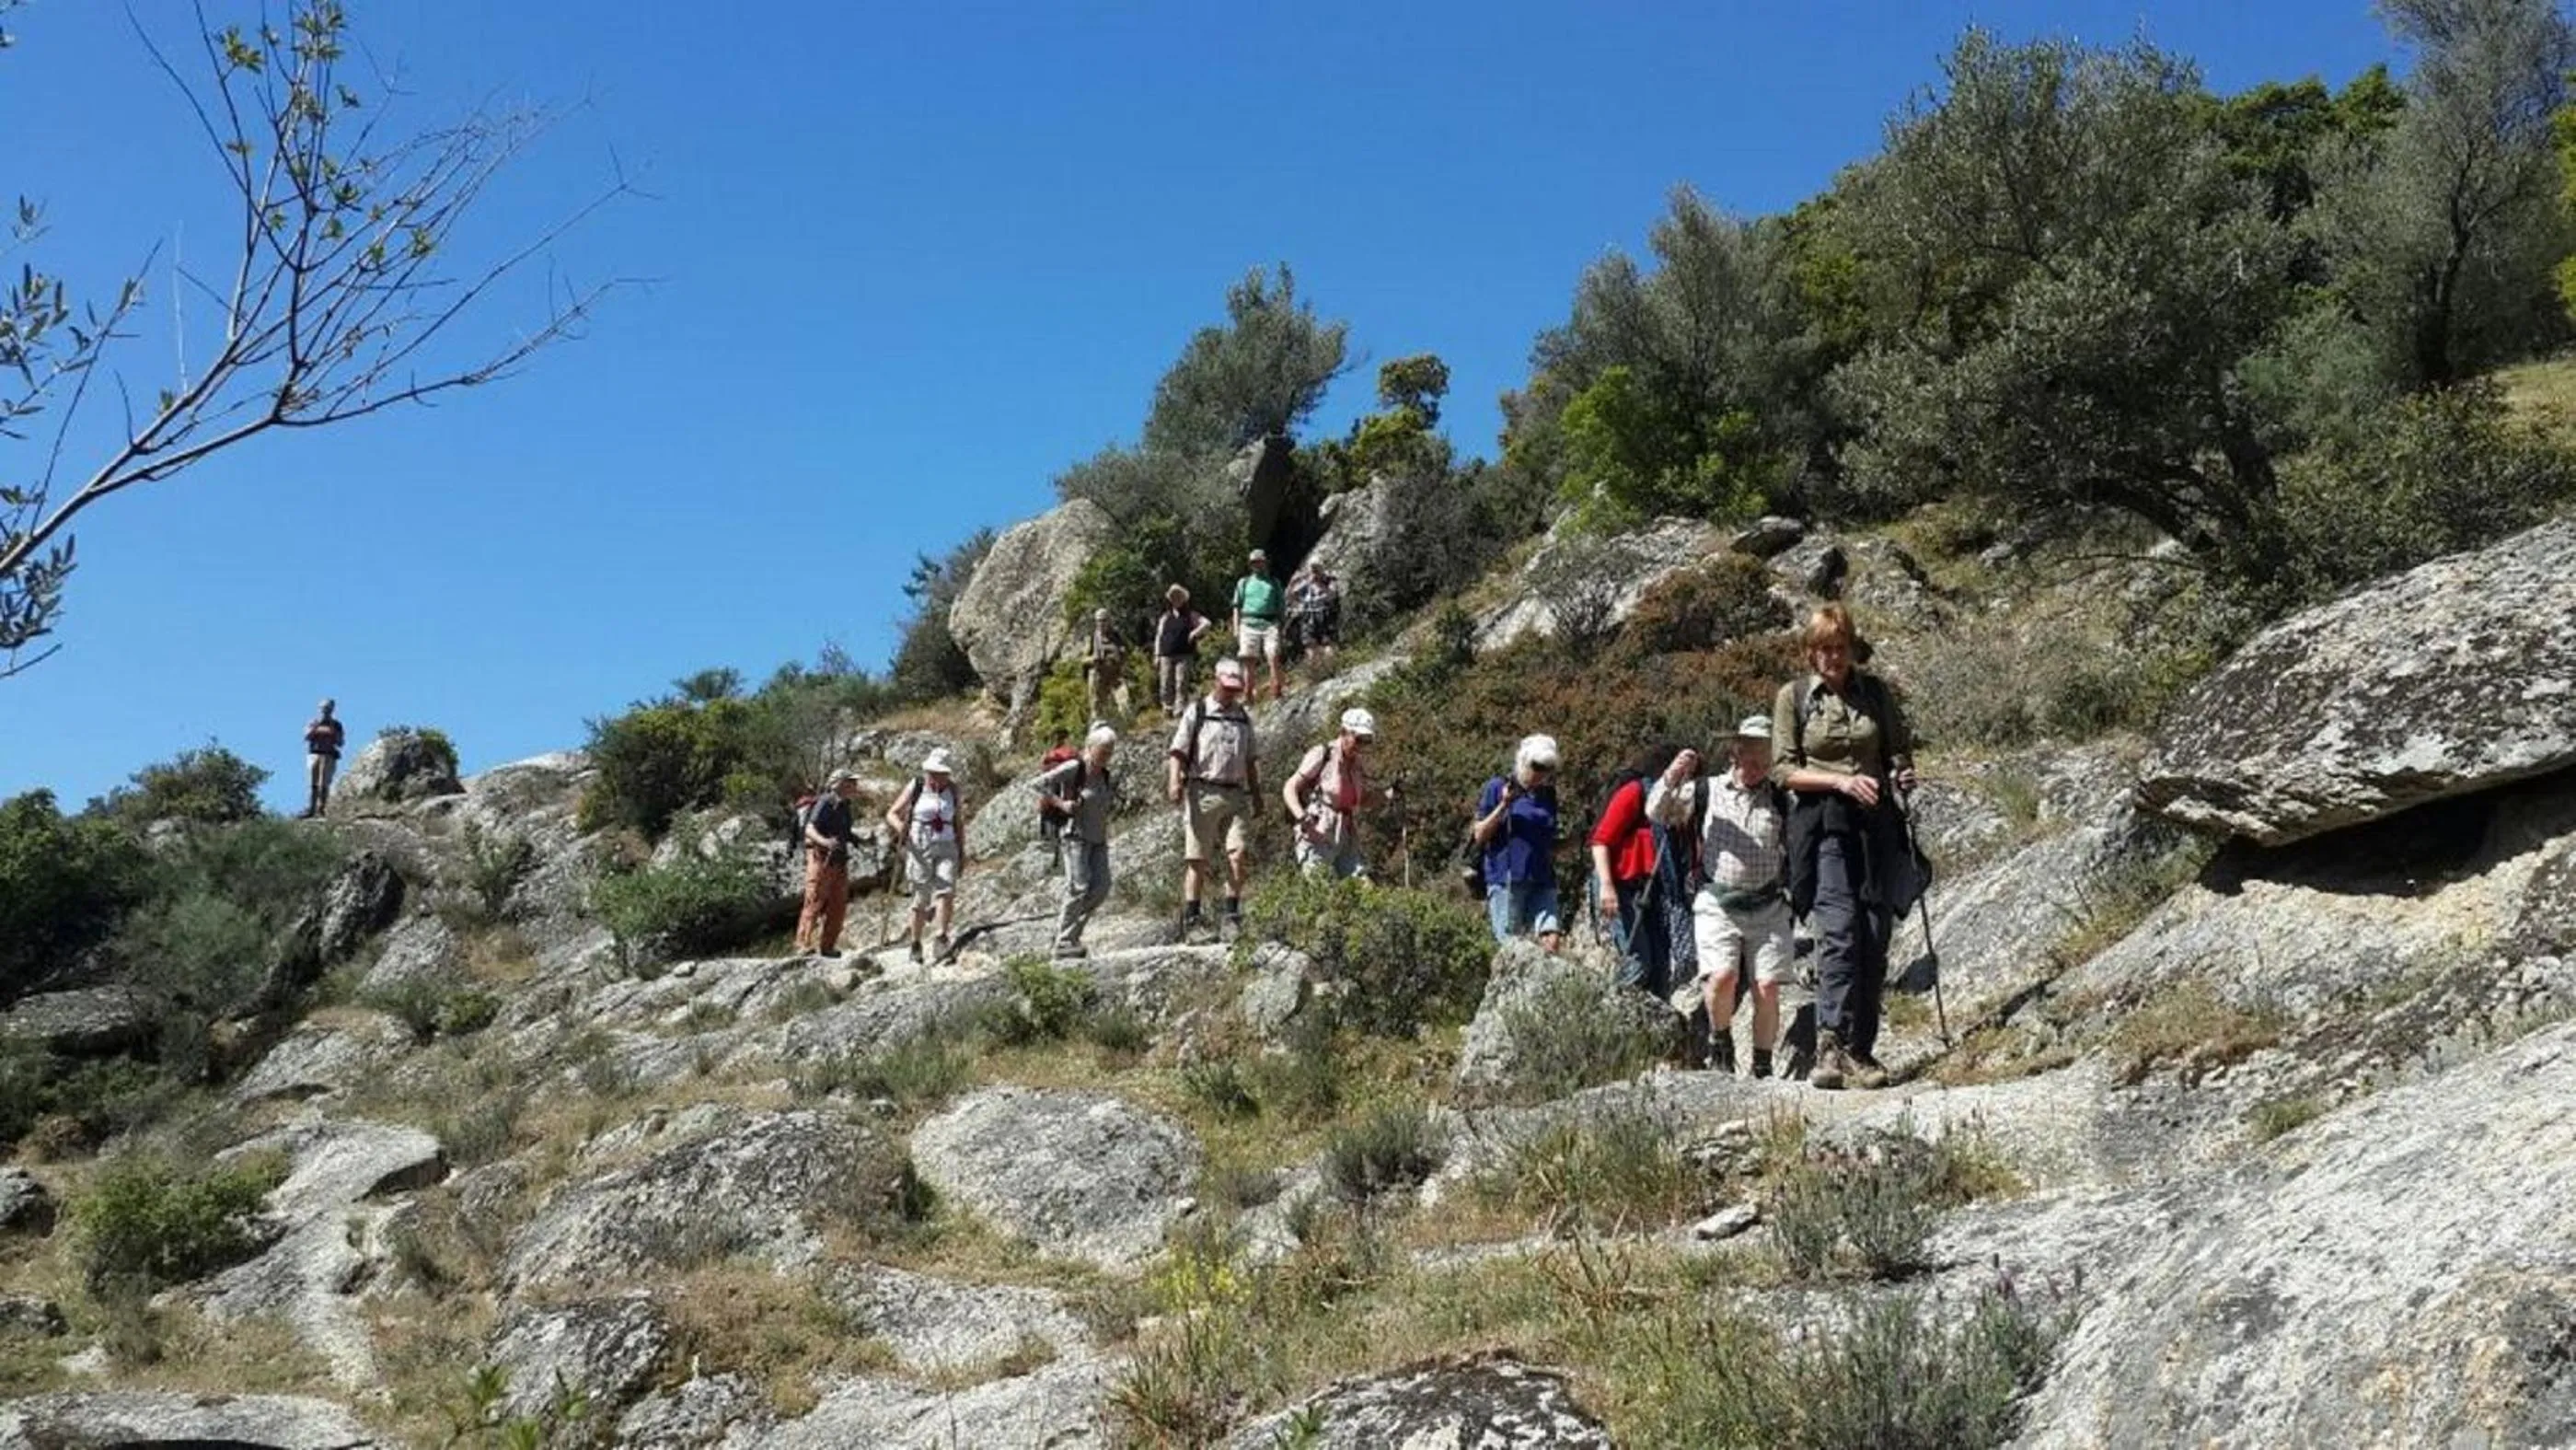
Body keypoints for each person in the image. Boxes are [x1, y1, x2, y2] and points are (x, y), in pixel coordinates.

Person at [1773, 603, 1918, 1092]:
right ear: (1811, 654)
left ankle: (1861, 1049)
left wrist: (1901, 771)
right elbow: (1783, 770)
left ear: (1852, 649)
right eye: (1825, 649)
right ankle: (1829, 1044)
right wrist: (1840, 782)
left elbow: (1897, 748)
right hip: (1825, 825)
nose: (1834, 657)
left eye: (1841, 648)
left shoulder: (1874, 693)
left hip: (1877, 825)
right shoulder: (1793, 698)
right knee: (1839, 929)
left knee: (1875, 936)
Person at [1648, 717, 1793, 1078]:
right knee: (1723, 976)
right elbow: (1656, 813)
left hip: (1769, 902)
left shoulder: (1780, 796)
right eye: (1752, 758)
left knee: (1768, 986)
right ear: (1735, 753)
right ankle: (1721, 1042)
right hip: (1717, 901)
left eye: (1765, 759)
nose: (1758, 767)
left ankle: (1763, 1063)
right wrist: (1672, 775)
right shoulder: (1705, 791)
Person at [1589, 743, 1694, 1001]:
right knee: (1637, 964)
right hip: (1622, 887)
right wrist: (1606, 886)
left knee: (1660, 969)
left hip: (1655, 892)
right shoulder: (1635, 792)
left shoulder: (1682, 806)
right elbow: (1601, 840)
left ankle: (1648, 1033)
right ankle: (1612, 1020)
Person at [1168, 656, 1262, 943]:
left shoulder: (1243, 717)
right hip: (1203, 791)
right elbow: (1178, 751)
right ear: (1216, 682)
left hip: (1236, 793)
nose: (1232, 693)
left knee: (1238, 854)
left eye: (1236, 688)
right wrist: (1174, 781)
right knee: (1197, 860)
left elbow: (1250, 759)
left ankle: (1231, 917)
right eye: (1228, 687)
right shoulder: (1197, 712)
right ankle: (1193, 921)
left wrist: (1257, 794)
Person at [1473, 735, 1564, 949]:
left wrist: (1578, 841)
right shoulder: (1497, 787)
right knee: (1512, 947)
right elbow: (1480, 835)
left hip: (1542, 879)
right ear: (1523, 761)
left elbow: (1548, 843)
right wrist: (1504, 805)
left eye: (1547, 768)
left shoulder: (1548, 796)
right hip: (1507, 880)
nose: (1541, 773)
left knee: (1551, 941)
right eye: (1537, 766)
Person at [1042, 724, 1120, 959]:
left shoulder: (1104, 774)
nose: (1107, 756)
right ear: (1090, 747)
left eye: (1110, 751)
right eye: (1103, 751)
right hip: (1075, 836)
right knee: (1078, 887)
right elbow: (1039, 784)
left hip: (1098, 838)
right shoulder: (1075, 767)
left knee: (1101, 888)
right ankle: (1064, 941)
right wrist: (1061, 804)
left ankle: (1067, 933)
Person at [887, 749, 969, 964]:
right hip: (919, 846)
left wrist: (962, 850)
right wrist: (901, 830)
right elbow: (892, 813)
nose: (935, 776)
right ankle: (915, 943)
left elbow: (959, 822)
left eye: (940, 773)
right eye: (932, 772)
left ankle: (941, 937)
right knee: (921, 897)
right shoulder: (916, 786)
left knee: (947, 890)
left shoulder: (953, 790)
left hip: (947, 844)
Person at [1285, 708, 1377, 880]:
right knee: (1322, 889)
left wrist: (1390, 792)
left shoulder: (1358, 764)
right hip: (1318, 832)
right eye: (1359, 739)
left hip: (1346, 836)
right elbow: (1290, 787)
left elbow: (1362, 800)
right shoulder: (1323, 754)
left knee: (1363, 889)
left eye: (1367, 741)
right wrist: (1301, 816)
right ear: (1344, 732)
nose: (1362, 746)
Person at [796, 771, 861, 957]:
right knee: (815, 898)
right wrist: (825, 842)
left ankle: (827, 946)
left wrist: (859, 839)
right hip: (820, 856)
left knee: (838, 903)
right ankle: (804, 944)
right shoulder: (825, 802)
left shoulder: (845, 806)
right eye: (851, 782)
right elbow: (810, 829)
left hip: (839, 858)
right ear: (839, 783)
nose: (855, 785)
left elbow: (844, 832)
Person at [1232, 549, 1287, 702]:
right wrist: (1236, 629)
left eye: (1260, 562)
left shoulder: (1274, 583)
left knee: (1273, 655)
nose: (1257, 565)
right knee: (1248, 660)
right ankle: (1248, 694)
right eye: (1254, 562)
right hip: (1248, 624)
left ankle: (1276, 691)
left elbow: (1281, 606)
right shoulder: (1244, 583)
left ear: (1265, 562)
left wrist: (1281, 626)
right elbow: (1237, 607)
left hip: (1270, 623)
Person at [1152, 585, 1213, 718]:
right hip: (1166, 654)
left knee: (1181, 682)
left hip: (1184, 653)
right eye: (1173, 597)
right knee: (1165, 683)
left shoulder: (1191, 615)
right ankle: (1167, 708)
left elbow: (1207, 623)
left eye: (1179, 597)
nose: (1176, 599)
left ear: (1183, 599)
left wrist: (1194, 633)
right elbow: (1159, 636)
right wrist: (1157, 655)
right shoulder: (1165, 617)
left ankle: (1179, 709)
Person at [1037, 729, 1080, 871]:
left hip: (1051, 801)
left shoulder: (1050, 756)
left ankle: (1056, 860)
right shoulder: (1073, 753)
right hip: (1068, 798)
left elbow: (1043, 773)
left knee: (1054, 832)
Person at [1289, 563, 1343, 667]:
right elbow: (1292, 596)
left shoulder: (1329, 581)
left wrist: (1319, 583)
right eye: (1313, 570)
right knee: (1310, 645)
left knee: (1328, 643)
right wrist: (1294, 583)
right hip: (1309, 616)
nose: (1315, 573)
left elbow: (1332, 595)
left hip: (1325, 614)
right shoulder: (1306, 584)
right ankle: (1315, 672)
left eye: (1317, 570)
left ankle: (1331, 669)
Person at [303, 699, 346, 818]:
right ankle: (311, 809)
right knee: (313, 784)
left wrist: (333, 733)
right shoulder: (313, 722)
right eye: (323, 708)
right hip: (314, 755)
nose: (325, 711)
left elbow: (341, 742)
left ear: (332, 710)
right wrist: (316, 727)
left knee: (324, 784)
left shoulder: (336, 725)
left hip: (329, 755)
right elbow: (306, 736)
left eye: (328, 708)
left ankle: (321, 809)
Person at [1083, 608, 1126, 725]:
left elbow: (1124, 651)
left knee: (1124, 703)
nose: (1101, 623)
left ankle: (1124, 726)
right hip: (1098, 676)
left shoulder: (1116, 636)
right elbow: (1083, 659)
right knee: (1097, 708)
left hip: (1115, 675)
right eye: (1099, 621)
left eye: (1104, 620)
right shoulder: (1092, 638)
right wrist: (1093, 659)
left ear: (1109, 621)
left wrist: (1121, 654)